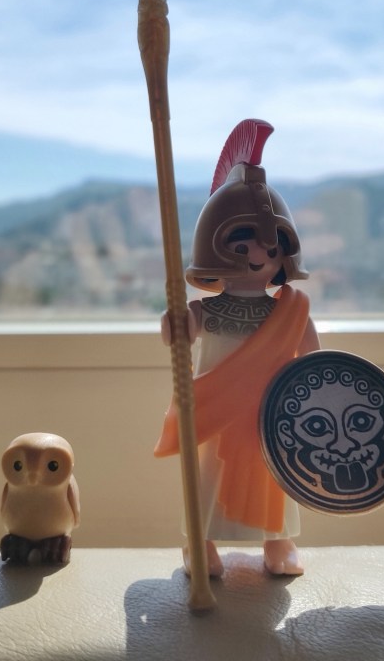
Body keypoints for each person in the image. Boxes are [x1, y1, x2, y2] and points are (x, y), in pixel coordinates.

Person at [155, 119, 319, 577]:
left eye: (270, 248)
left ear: (284, 254)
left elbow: (314, 361)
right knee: (209, 479)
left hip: (270, 413)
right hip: (216, 412)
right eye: (243, 247)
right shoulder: (206, 310)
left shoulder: (291, 310)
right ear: (217, 251)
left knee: (274, 476)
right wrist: (174, 322)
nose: (258, 257)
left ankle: (278, 542)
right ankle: (199, 544)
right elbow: (177, 337)